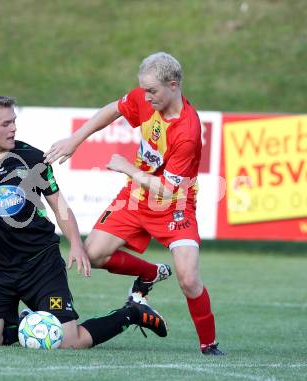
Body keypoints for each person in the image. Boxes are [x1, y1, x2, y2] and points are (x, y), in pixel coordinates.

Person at [0, 95, 168, 348]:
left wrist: (75, 243)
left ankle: (132, 313)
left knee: (69, 341)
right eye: (5, 124)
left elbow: (59, 204)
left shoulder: (31, 158)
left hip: (41, 264)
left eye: (14, 121)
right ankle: (27, 322)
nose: (14, 128)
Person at [44, 52, 224, 355]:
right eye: (144, 89)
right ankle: (150, 273)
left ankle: (209, 345)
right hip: (134, 198)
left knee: (189, 278)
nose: (146, 96)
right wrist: (76, 139)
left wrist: (128, 168)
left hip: (174, 205)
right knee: (94, 254)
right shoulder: (146, 99)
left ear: (174, 85)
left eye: (152, 90)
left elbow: (167, 190)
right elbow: (113, 109)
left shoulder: (188, 131)